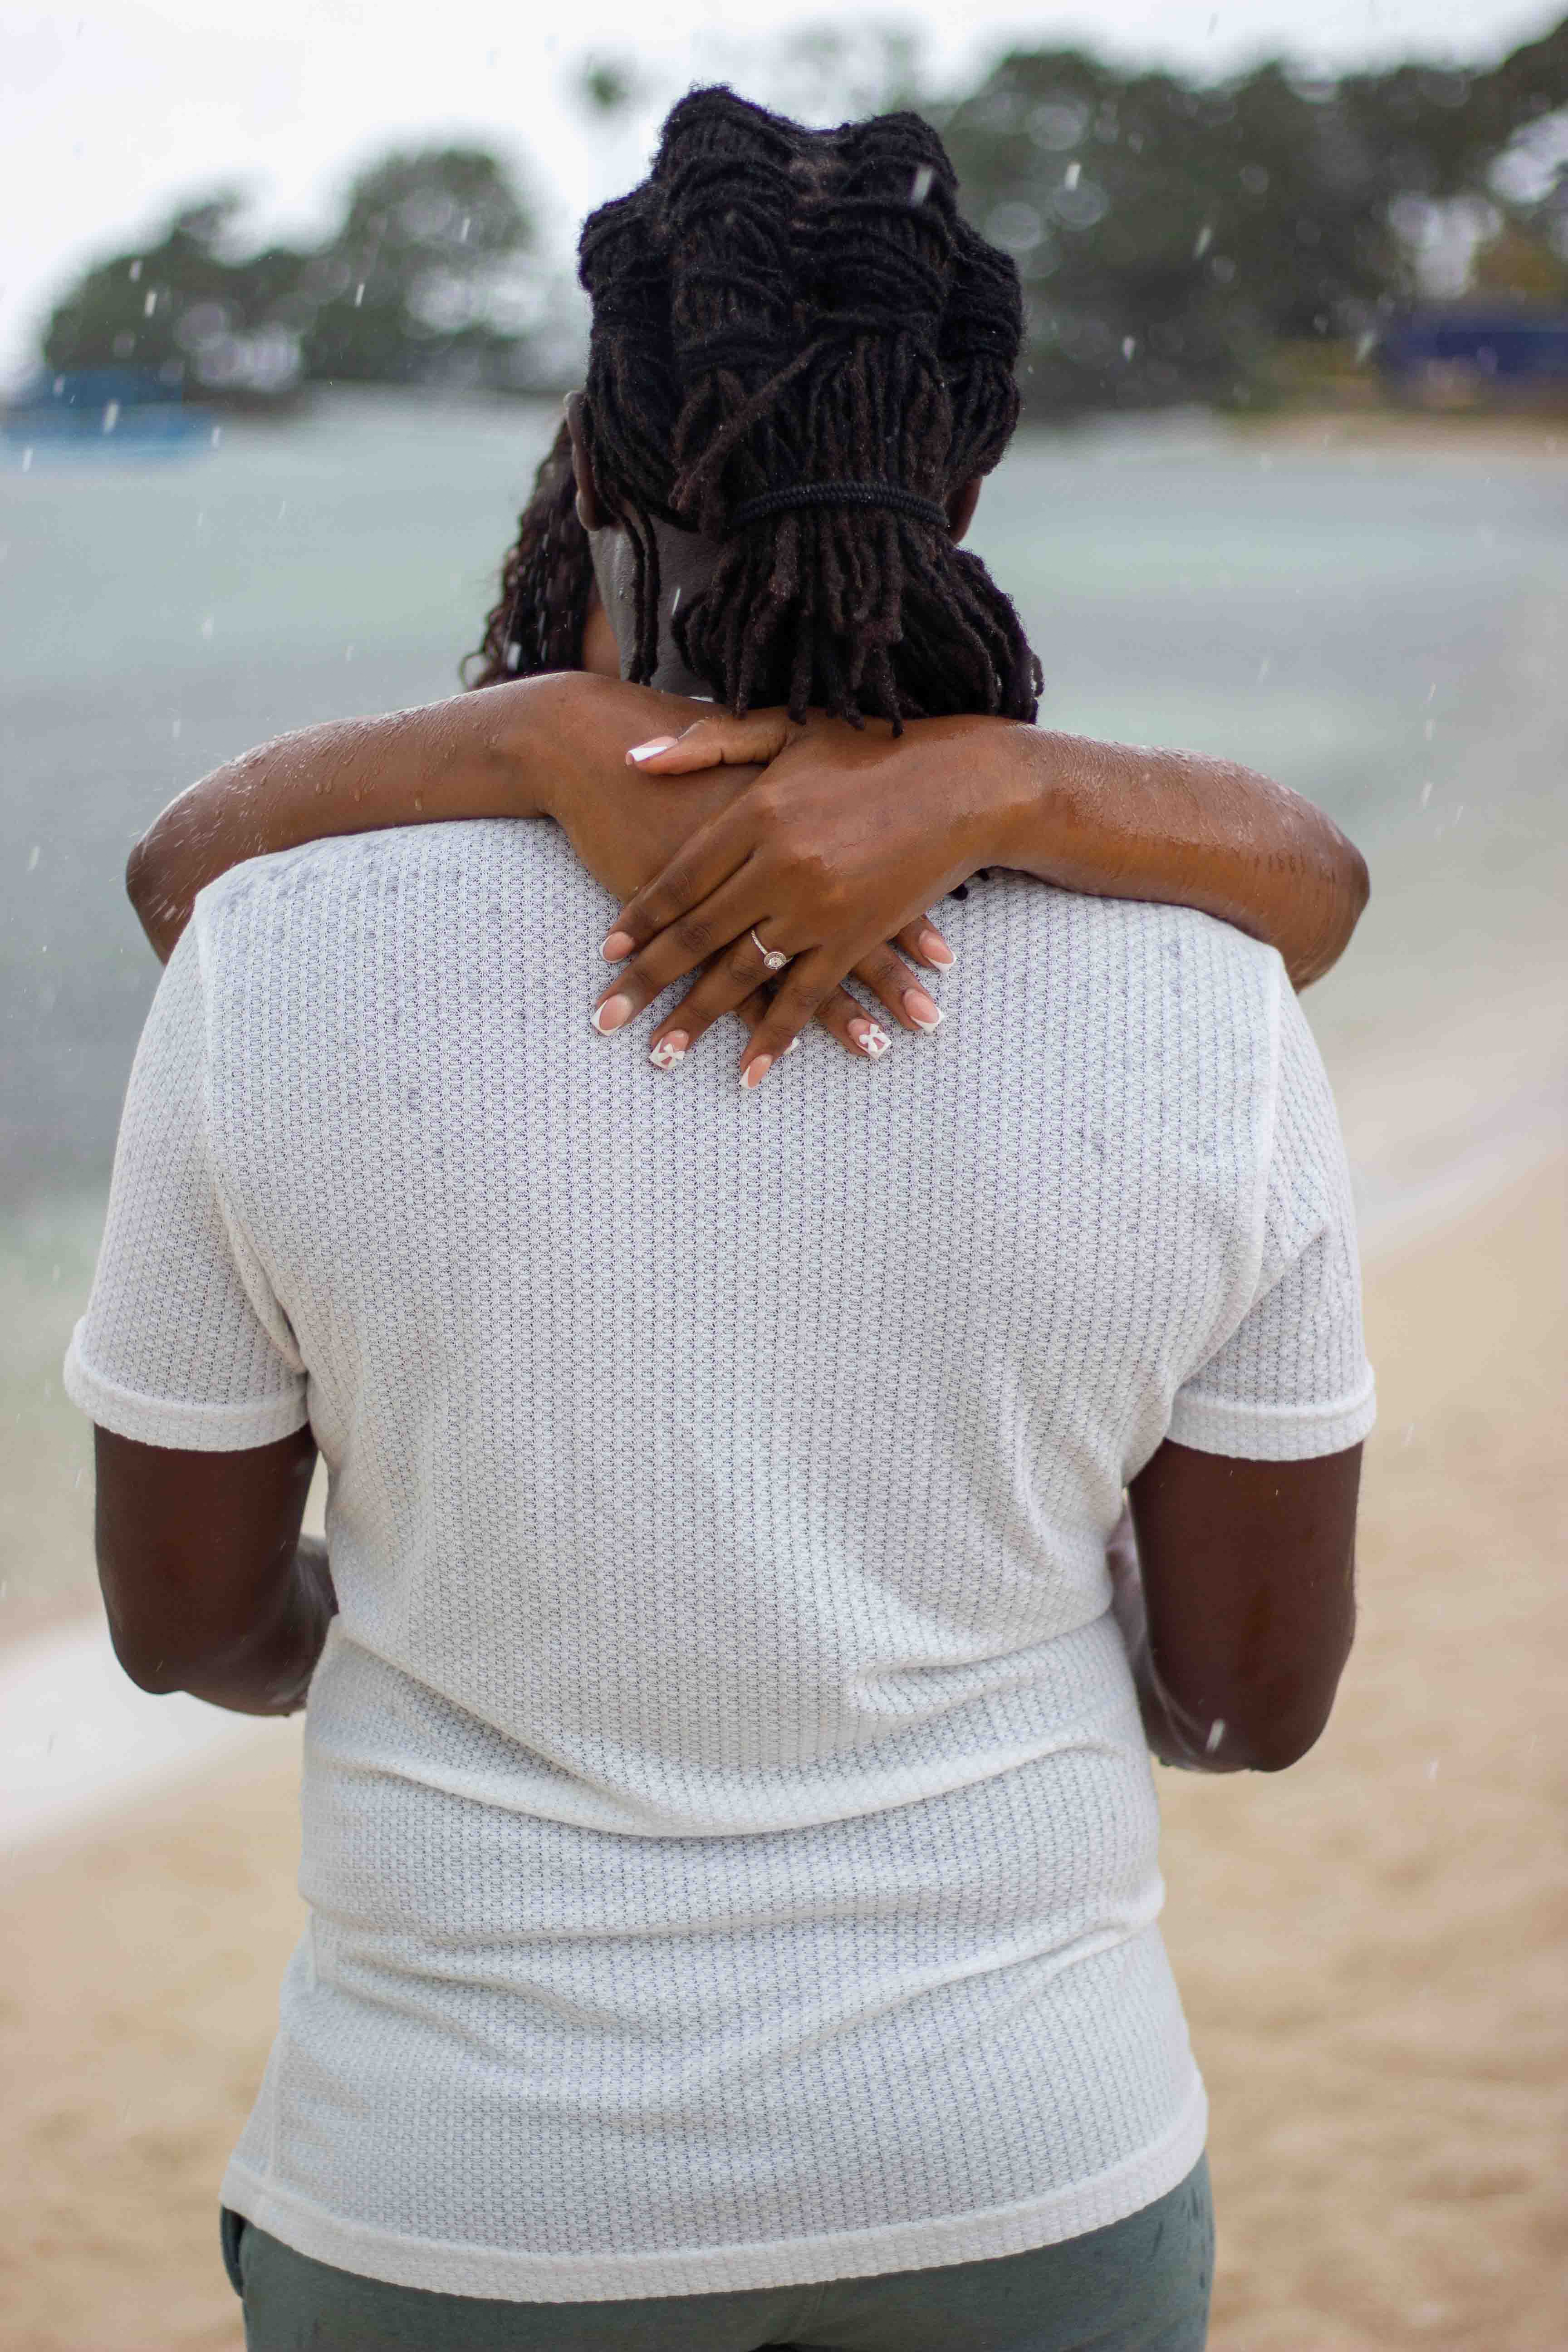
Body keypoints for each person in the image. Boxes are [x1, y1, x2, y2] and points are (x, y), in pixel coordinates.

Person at [69, 89, 1374, 2352]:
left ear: (593, 457)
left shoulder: (277, 961)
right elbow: (1251, 1700)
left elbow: (185, 1629)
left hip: (461, 2190)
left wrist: (388, 1637)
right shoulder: (1208, 994)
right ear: (963, 480)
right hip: (1016, 2164)